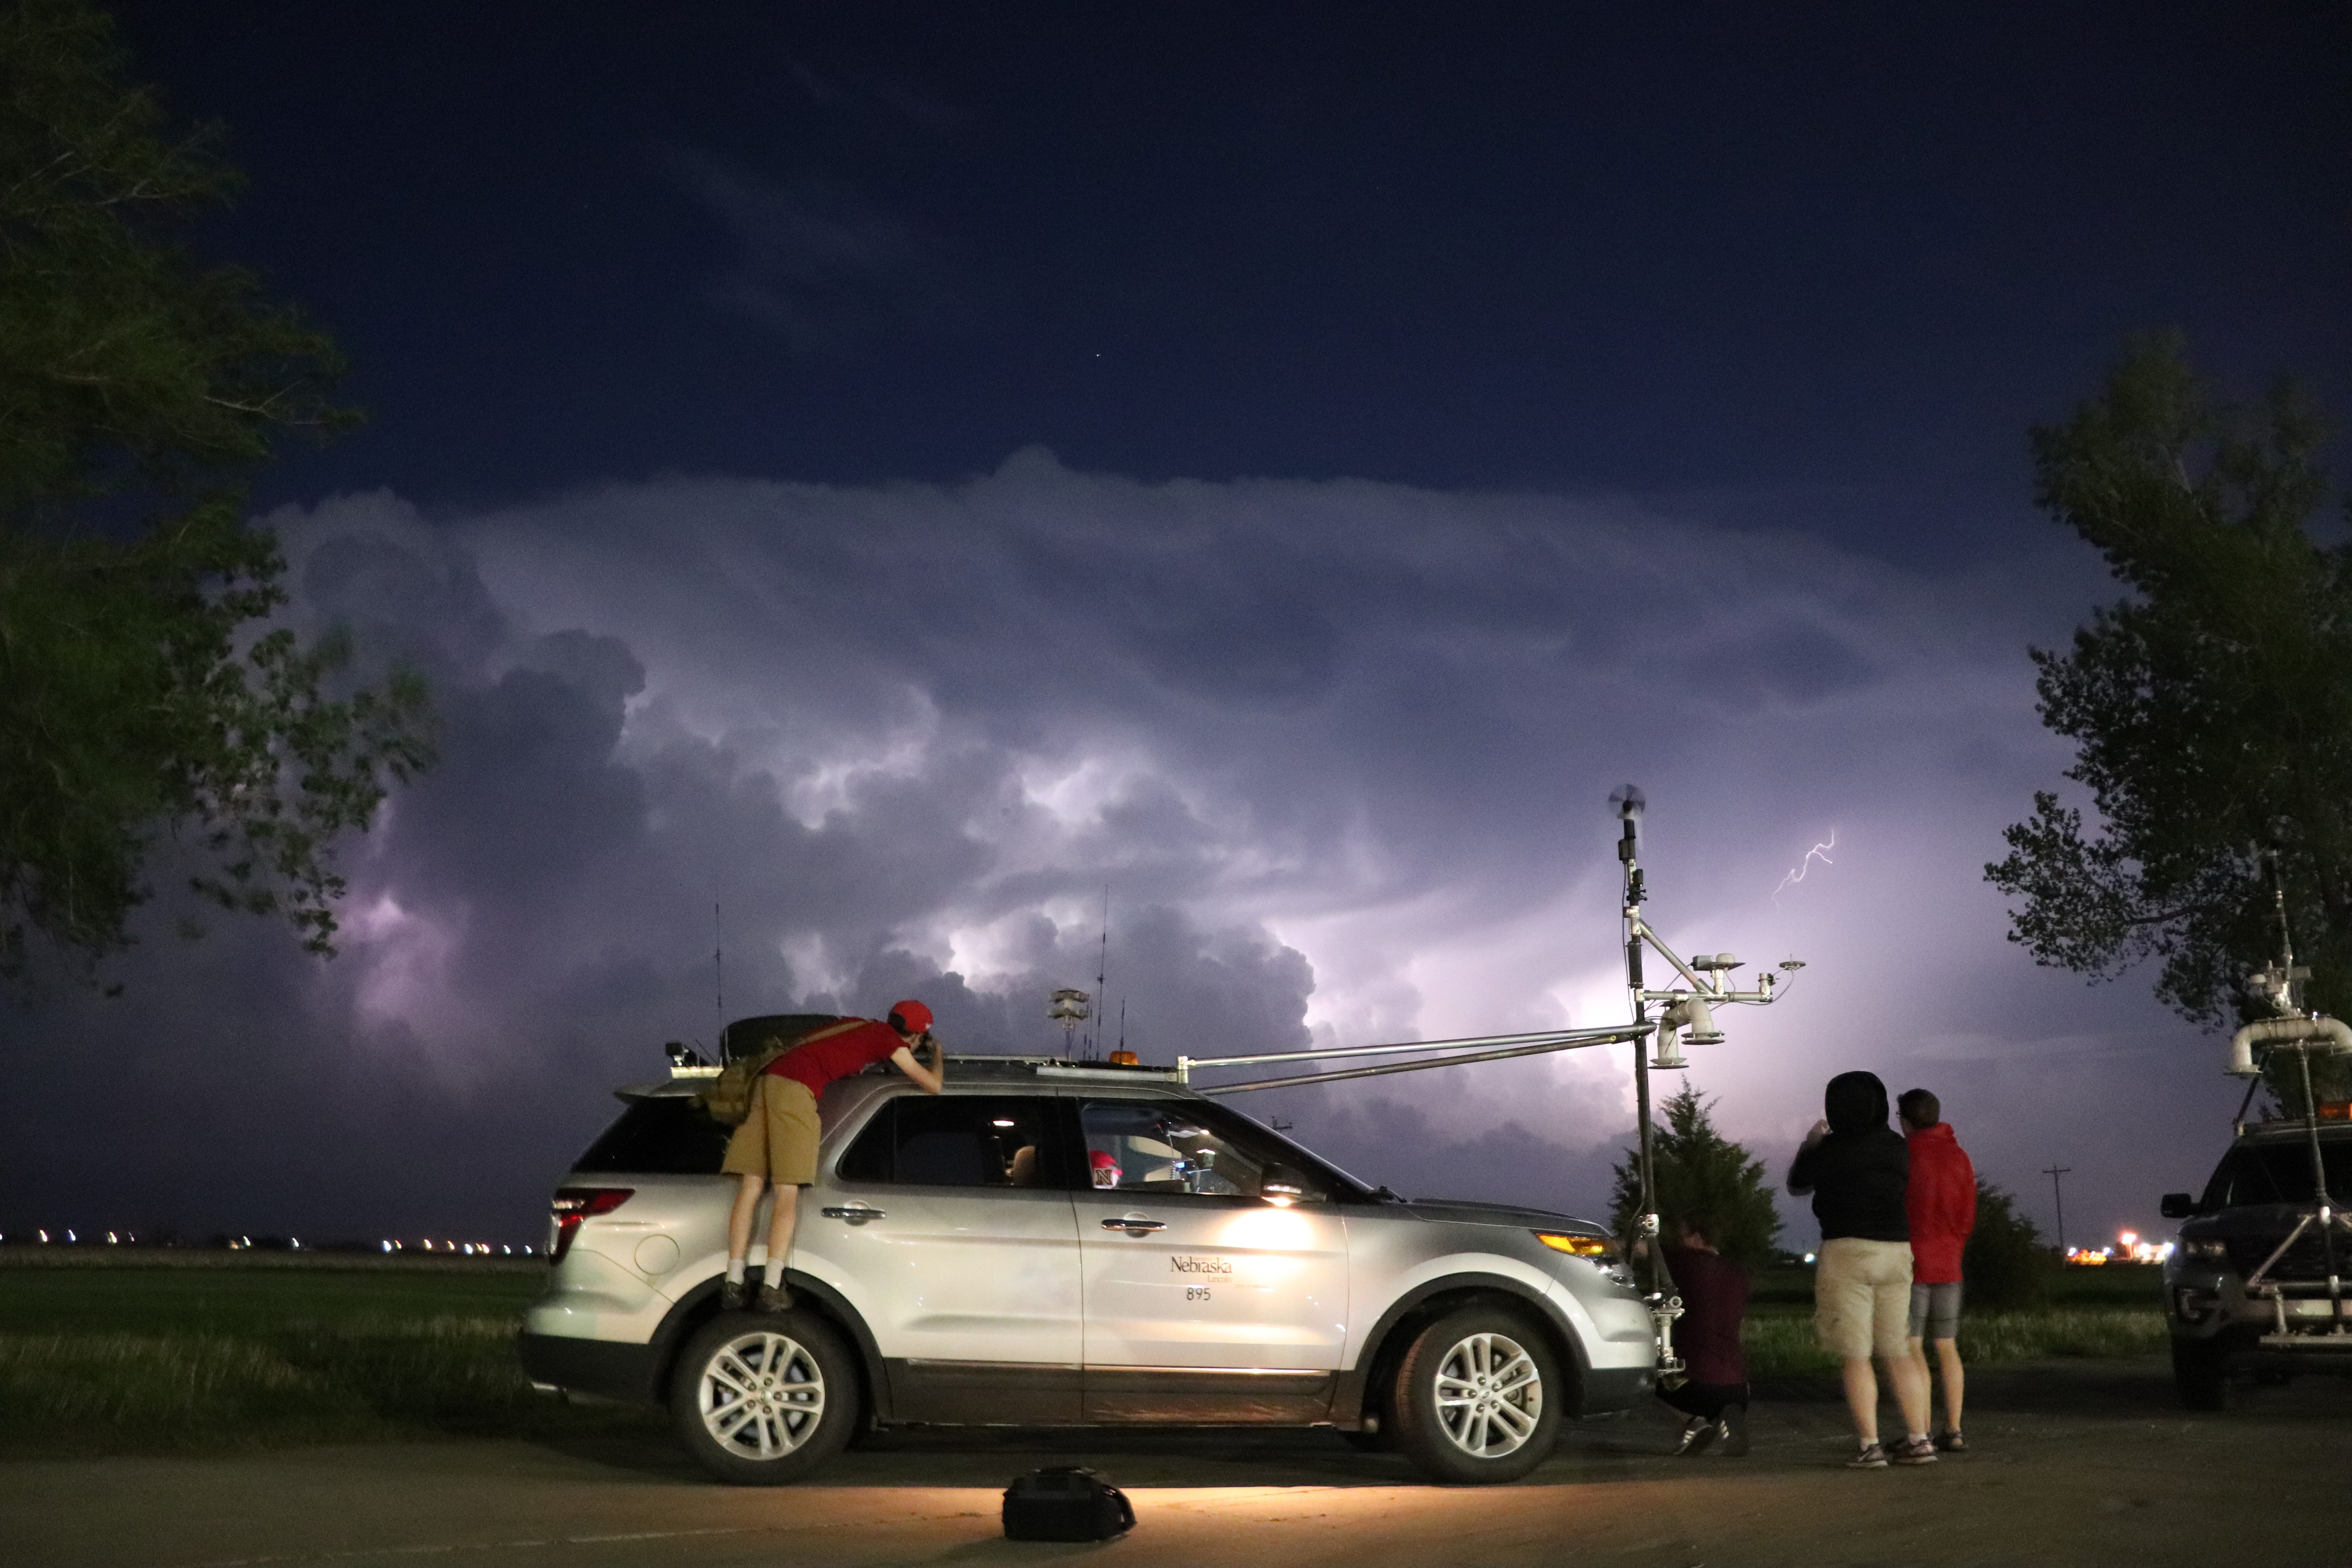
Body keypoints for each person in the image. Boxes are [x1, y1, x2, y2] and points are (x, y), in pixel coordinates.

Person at [720, 1000, 945, 1311]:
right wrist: (938, 1056)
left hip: (765, 1082)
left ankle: (733, 1281)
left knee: (751, 1186)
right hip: (795, 1090)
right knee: (787, 1192)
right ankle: (772, 1286)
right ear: (916, 1036)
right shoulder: (889, 1040)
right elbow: (933, 1085)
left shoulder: (858, 1025)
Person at [1788, 1069, 1936, 1468]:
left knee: (1856, 1356)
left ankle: (1871, 1446)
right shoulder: (1898, 1148)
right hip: (1896, 1251)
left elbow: (1797, 1184)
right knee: (1899, 1350)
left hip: (1846, 1250)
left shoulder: (1831, 1149)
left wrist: (1811, 1144)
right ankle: (1920, 1439)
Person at [1898, 1087, 1977, 1453]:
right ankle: (1955, 1429)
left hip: (1913, 1264)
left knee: (1912, 1347)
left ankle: (1922, 1431)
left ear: (1906, 1120)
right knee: (1947, 1346)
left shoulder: (1905, 1156)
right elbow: (1967, 1214)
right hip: (1950, 1262)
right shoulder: (1959, 1156)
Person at [1655, 1212, 1752, 1457]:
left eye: (1683, 1237)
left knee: (1646, 1377)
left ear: (1697, 1238)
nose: (1680, 1243)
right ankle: (1715, 1419)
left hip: (1699, 1386)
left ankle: (1700, 1418)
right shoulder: (1738, 1274)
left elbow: (1648, 1250)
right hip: (1741, 1388)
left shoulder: (1687, 1262)